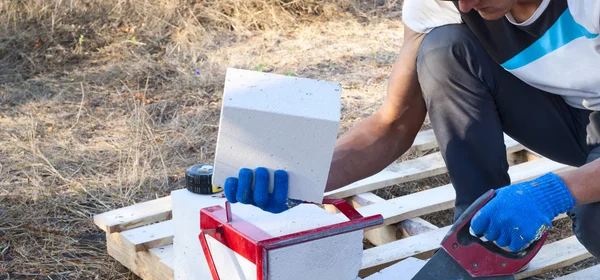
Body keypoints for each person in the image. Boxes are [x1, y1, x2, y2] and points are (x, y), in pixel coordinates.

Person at [223, 0, 600, 258]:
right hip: (566, 120)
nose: (465, 6)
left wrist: (555, 192)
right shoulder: (442, 3)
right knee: (442, 49)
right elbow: (392, 123)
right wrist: (304, 176)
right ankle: (481, 236)